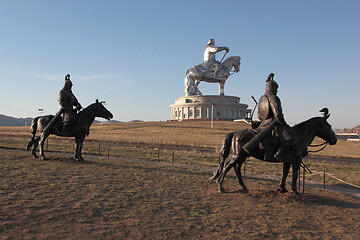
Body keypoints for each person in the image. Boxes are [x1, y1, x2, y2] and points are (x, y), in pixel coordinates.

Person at [257, 73, 299, 162]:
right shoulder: (274, 98)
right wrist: (285, 124)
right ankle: (279, 154)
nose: (277, 91)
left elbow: (259, 116)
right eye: (276, 89)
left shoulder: (262, 98)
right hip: (273, 124)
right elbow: (278, 115)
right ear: (273, 88)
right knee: (290, 137)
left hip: (263, 123)